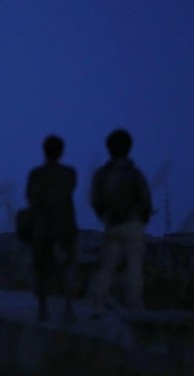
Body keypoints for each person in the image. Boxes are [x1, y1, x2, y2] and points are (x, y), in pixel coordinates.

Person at [90, 129, 152, 316]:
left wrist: (106, 219)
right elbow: (145, 200)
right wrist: (142, 221)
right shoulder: (135, 174)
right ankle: (135, 305)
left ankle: (98, 305)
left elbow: (96, 201)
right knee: (135, 267)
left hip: (113, 226)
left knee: (107, 267)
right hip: (133, 225)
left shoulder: (101, 174)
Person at [26, 135, 78, 322]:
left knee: (41, 269)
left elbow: (32, 199)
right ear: (61, 152)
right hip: (65, 228)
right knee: (66, 268)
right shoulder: (69, 173)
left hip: (43, 229)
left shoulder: (36, 175)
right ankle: (69, 308)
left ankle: (42, 308)